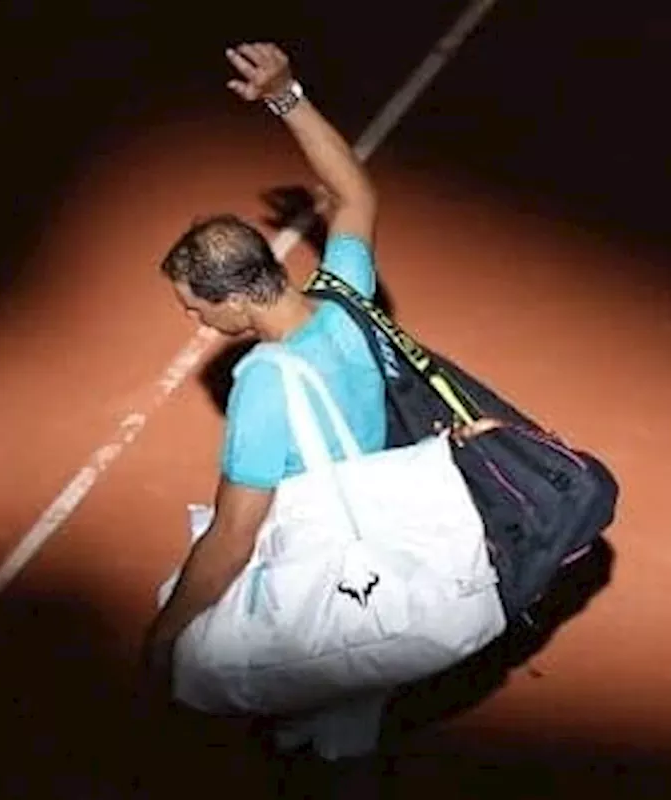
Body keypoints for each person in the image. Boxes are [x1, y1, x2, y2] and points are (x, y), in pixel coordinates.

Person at [142, 41, 390, 765]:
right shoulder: (345, 294)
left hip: (326, 584)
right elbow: (356, 194)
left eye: (195, 309)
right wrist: (288, 95)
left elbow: (231, 539)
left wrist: (166, 634)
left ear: (234, 299)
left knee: (304, 742)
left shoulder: (264, 385)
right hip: (378, 531)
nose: (195, 323)